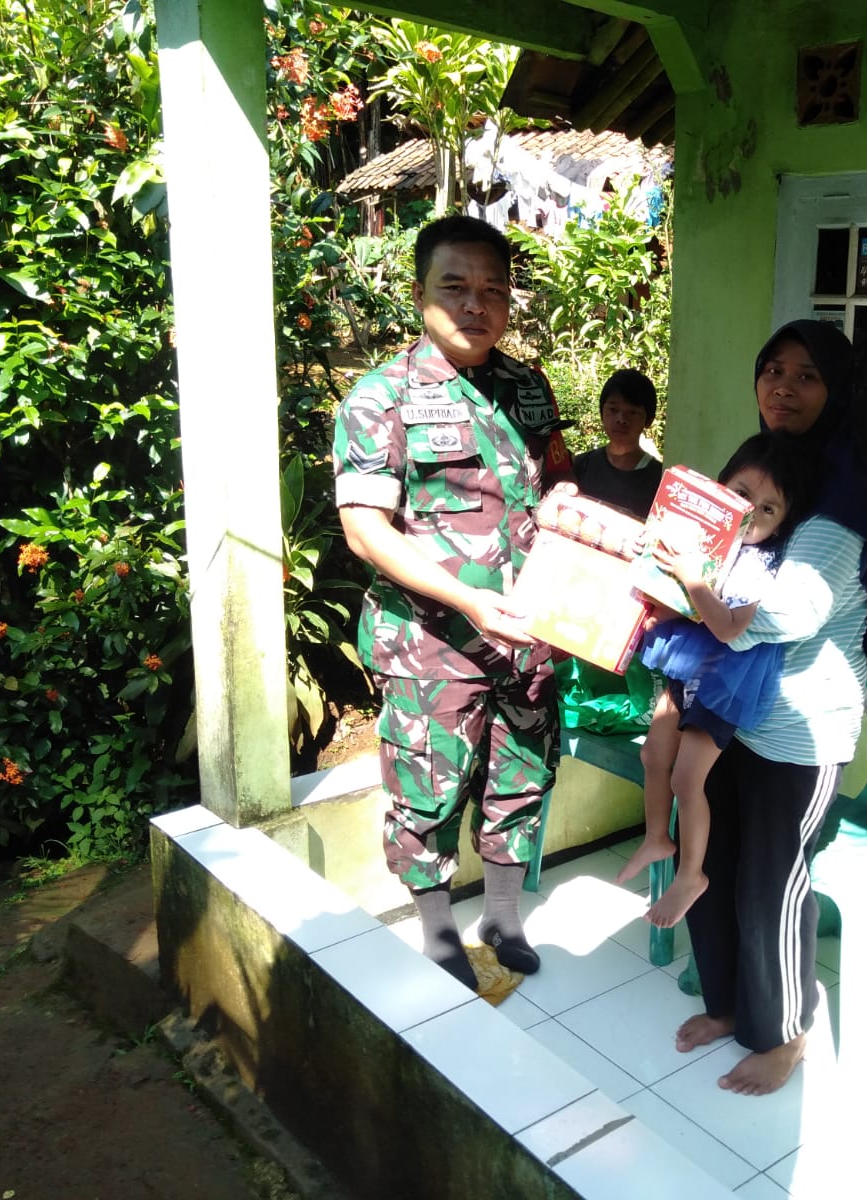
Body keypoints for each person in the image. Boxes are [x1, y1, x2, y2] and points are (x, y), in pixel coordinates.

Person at [331, 215, 572, 992]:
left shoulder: (528, 387)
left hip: (527, 636)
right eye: (455, 286)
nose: (476, 304)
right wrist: (468, 600)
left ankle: (502, 918)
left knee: (521, 776)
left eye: (493, 290)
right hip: (431, 645)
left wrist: (578, 519)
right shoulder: (380, 398)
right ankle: (438, 933)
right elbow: (365, 530)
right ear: (419, 294)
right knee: (426, 788)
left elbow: (557, 482)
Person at [673, 319, 867, 1096]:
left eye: (806, 375)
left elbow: (788, 611)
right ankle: (731, 1005)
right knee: (716, 864)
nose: (783, 388)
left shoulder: (841, 495)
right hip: (734, 712)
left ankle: (787, 1031)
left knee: (772, 883)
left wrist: (692, 585)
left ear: (838, 390)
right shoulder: (762, 471)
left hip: (800, 728)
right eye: (772, 370)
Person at [614, 433, 814, 931]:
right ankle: (657, 837)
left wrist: (691, 577)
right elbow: (680, 602)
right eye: (743, 495)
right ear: (722, 490)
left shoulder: (761, 565)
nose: (752, 513)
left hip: (729, 680)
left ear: (783, 522)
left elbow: (728, 628)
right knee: (653, 754)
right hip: (690, 666)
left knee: (687, 779)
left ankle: (691, 875)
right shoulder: (707, 543)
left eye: (769, 509)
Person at [570, 368, 663, 519]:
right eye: (613, 409)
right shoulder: (580, 466)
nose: (621, 419)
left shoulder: (659, 481)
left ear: (649, 420)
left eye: (632, 412)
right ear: (602, 412)